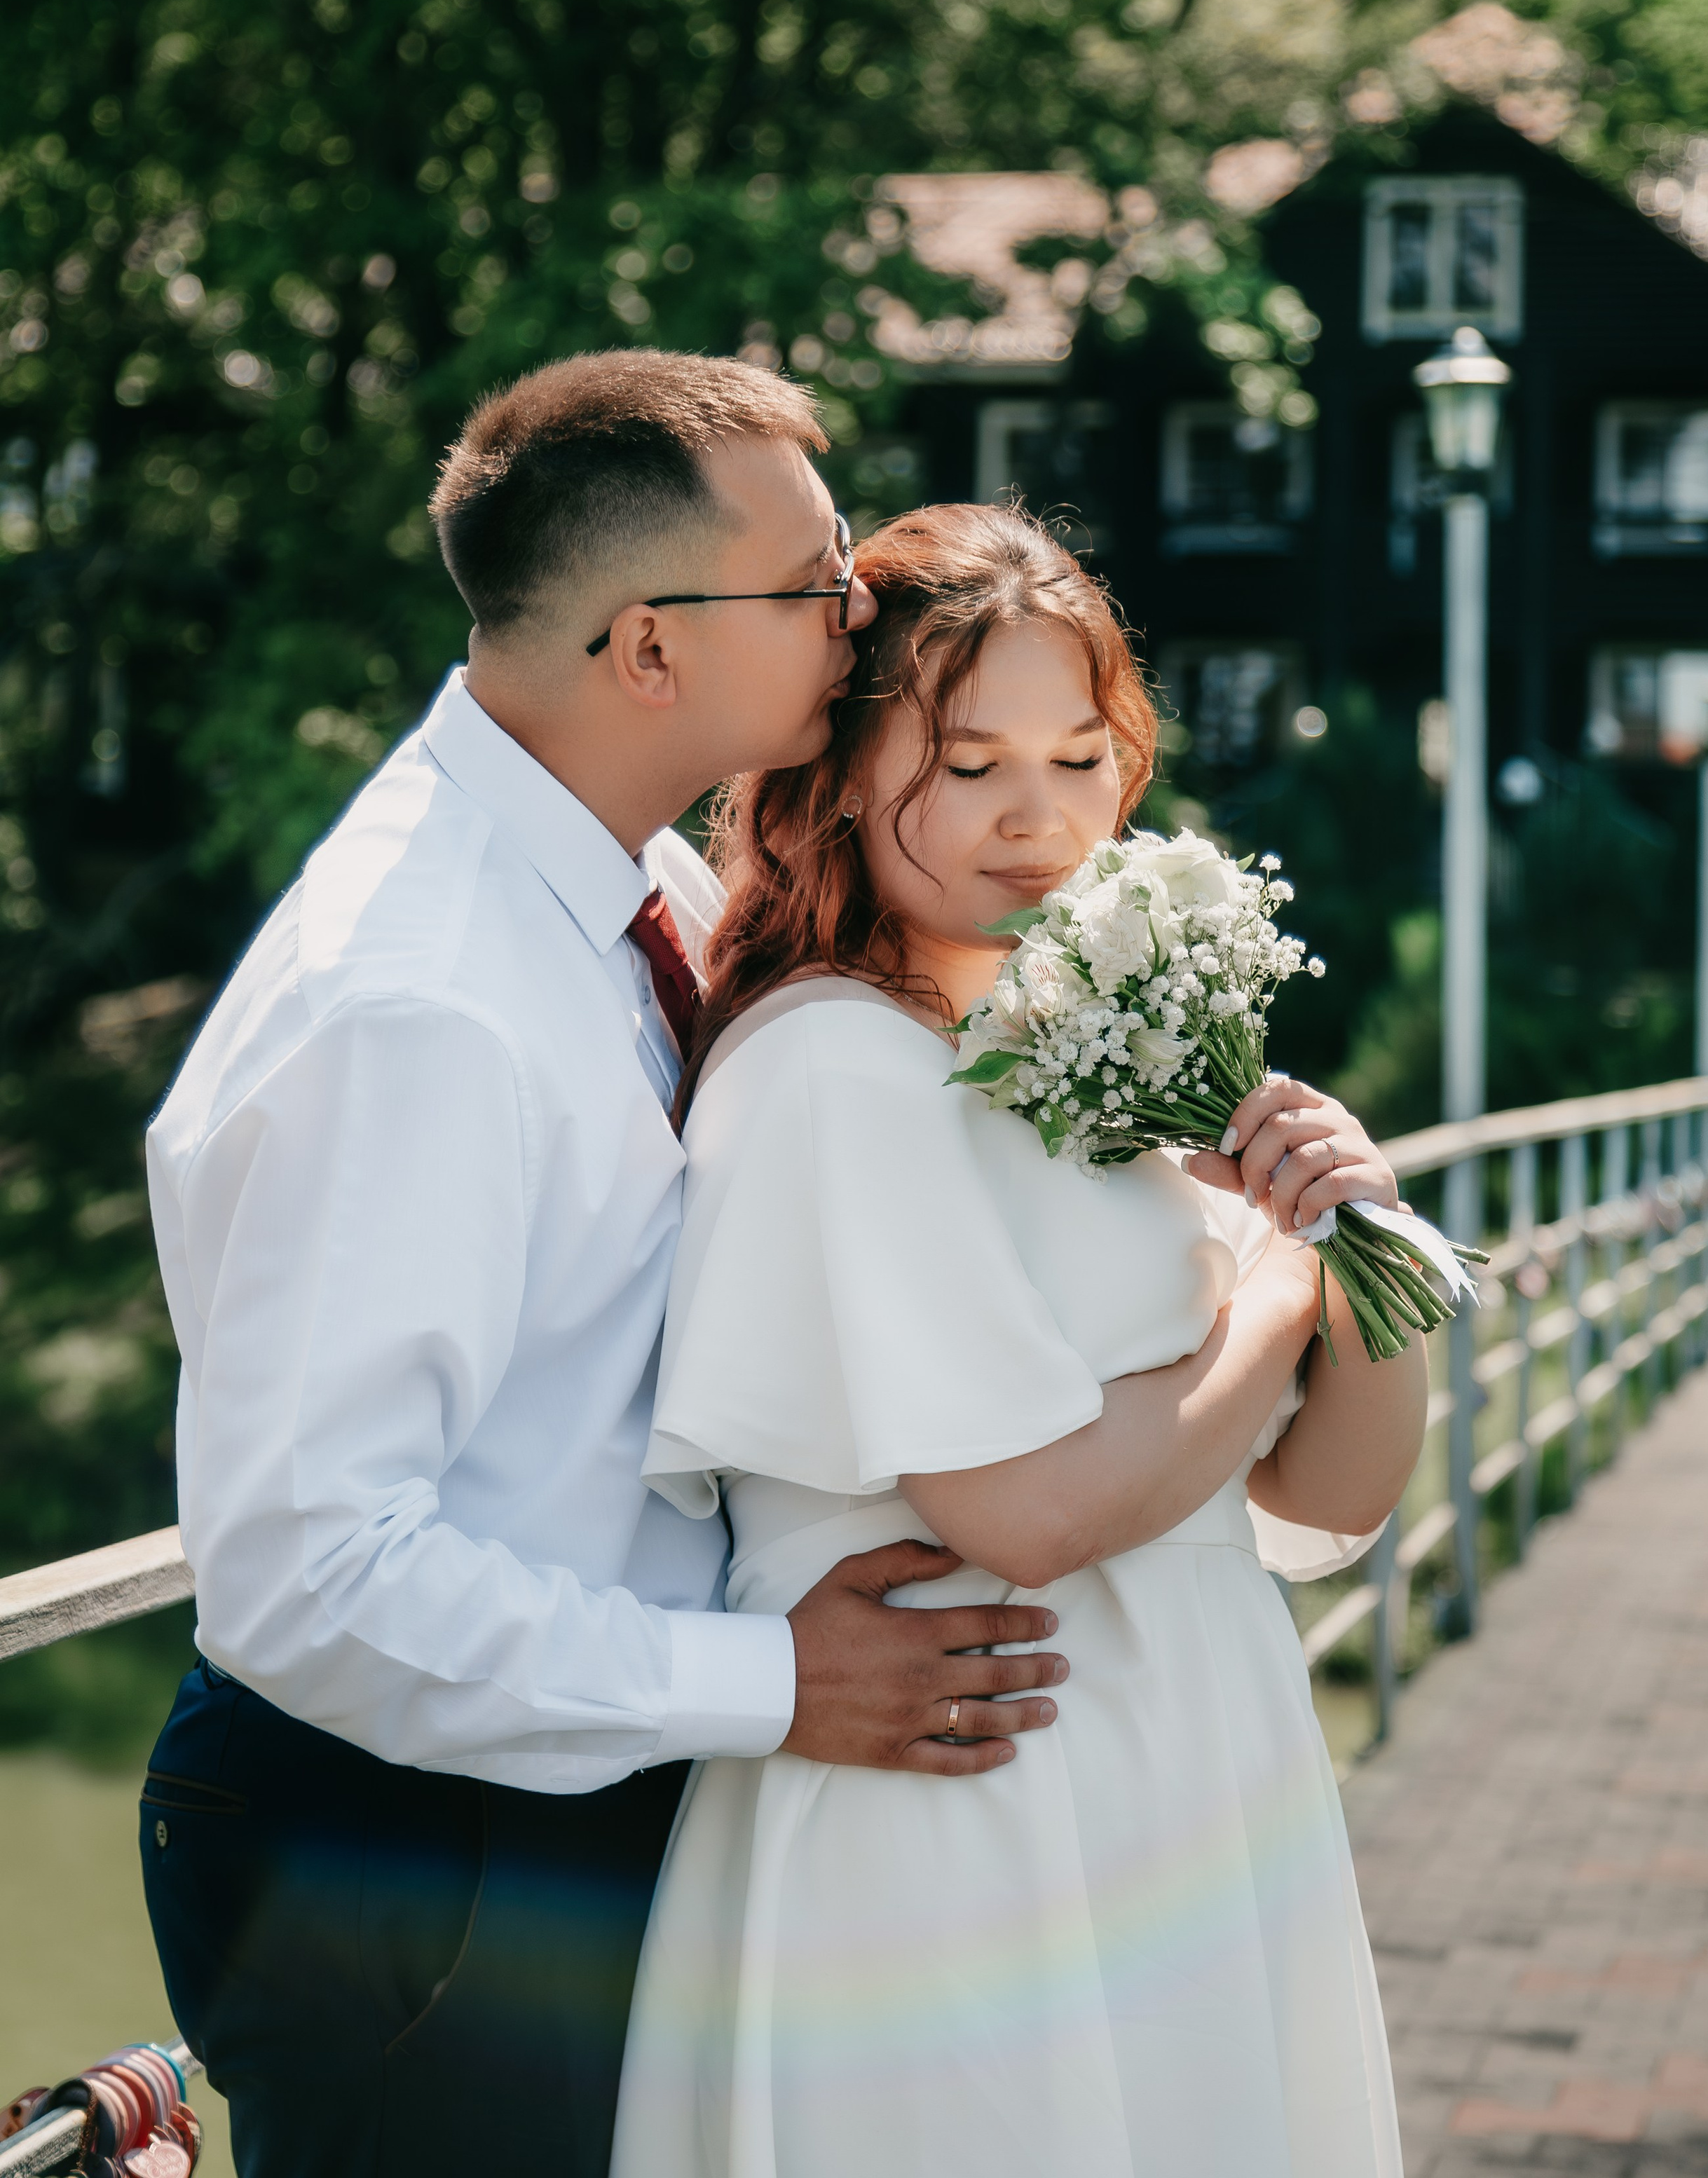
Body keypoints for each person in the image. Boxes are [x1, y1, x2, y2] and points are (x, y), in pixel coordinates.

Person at [137, 354, 1074, 2178]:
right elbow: (309, 1573)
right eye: (817, 584)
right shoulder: (413, 1003)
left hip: (573, 1789)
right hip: (416, 1851)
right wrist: (775, 1684)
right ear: (650, 646)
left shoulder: (638, 883)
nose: (858, 610)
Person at [611, 503, 1427, 2178]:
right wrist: (1278, 1285)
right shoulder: (832, 1066)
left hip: (1185, 1785)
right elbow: (1028, 1509)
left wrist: (1355, 1241)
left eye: (1077, 756)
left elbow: (1334, 1491)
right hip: (973, 1817)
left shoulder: (1083, 1055)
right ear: (836, 770)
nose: (1036, 821)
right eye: (967, 763)